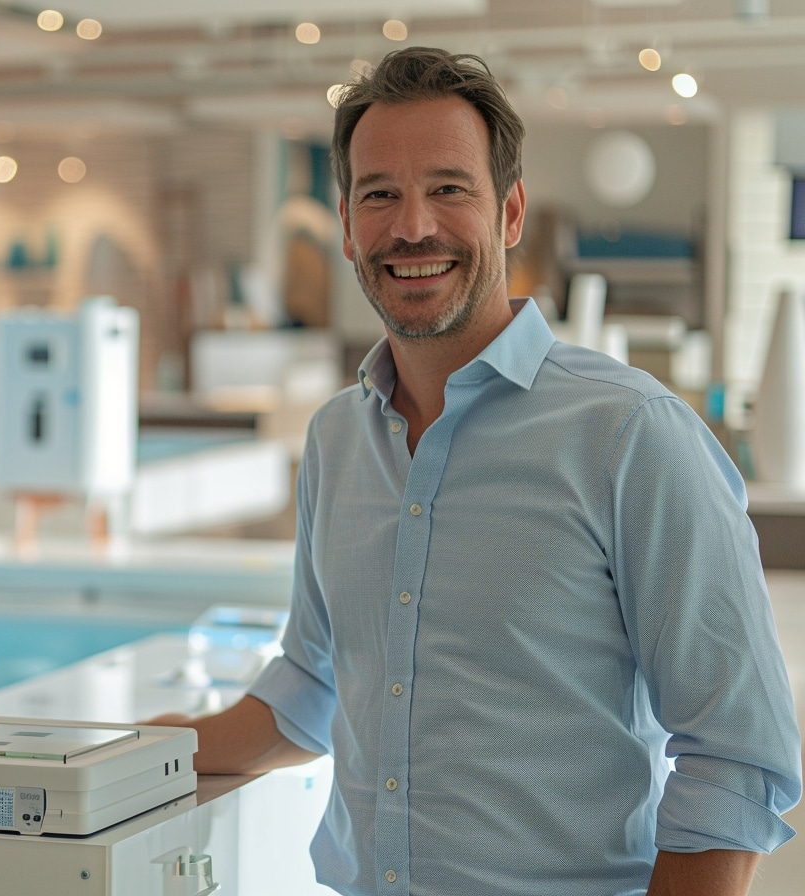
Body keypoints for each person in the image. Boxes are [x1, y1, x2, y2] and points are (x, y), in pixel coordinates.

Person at [155, 47, 802, 896]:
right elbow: (316, 682)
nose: (412, 226)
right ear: (347, 223)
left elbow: (737, 754)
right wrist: (154, 750)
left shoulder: (630, 436)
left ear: (510, 212)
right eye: (380, 194)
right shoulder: (336, 441)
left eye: (449, 188)